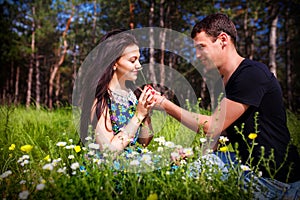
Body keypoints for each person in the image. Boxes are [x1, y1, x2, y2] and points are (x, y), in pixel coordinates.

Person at [154, 13, 300, 199]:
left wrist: (165, 105)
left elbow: (213, 125)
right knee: (186, 172)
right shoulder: (224, 83)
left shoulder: (251, 74)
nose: (197, 55)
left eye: (201, 47)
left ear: (223, 39)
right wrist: (193, 156)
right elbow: (219, 135)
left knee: (186, 181)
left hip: (277, 181)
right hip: (250, 167)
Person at [79, 29, 156, 155]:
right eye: (132, 60)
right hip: (109, 168)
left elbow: (144, 142)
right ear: (114, 63)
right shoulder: (101, 100)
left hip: (133, 161)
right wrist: (138, 116)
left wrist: (146, 112)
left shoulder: (133, 96)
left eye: (138, 60)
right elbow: (109, 151)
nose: (139, 65)